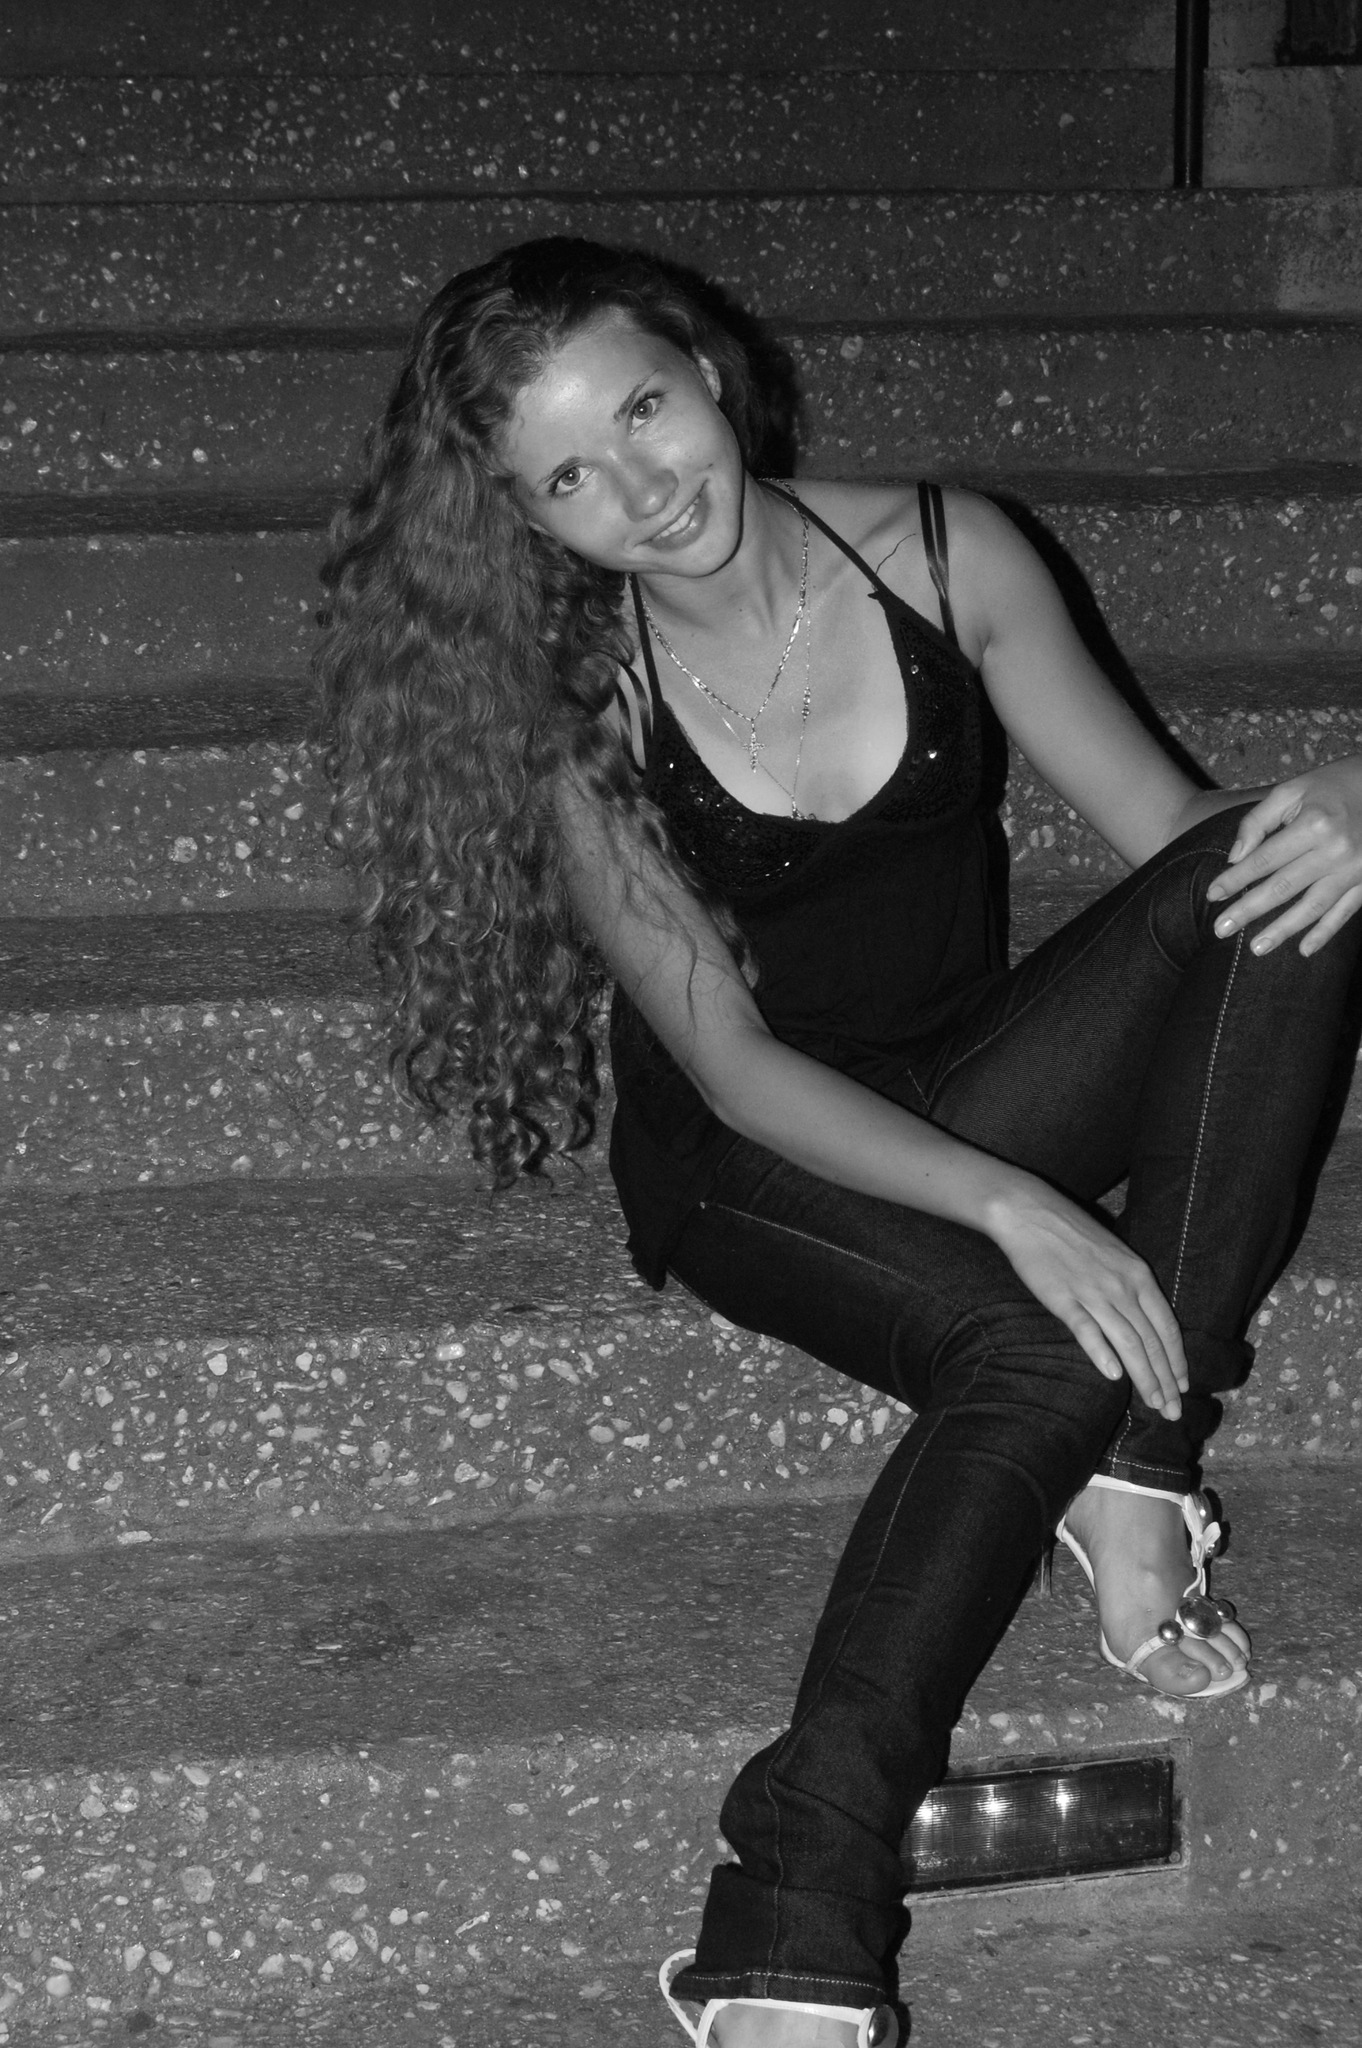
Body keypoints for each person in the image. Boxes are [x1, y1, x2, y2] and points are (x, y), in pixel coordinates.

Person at [315, 237, 1362, 2048]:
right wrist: (1011, 1206)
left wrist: (1348, 798)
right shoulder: (579, 706)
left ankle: (1140, 1457)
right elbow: (728, 1065)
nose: (645, 488)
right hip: (752, 1153)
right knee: (1029, 1345)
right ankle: (789, 1920)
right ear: (529, 523)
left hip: (965, 1071)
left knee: (1290, 876)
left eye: (646, 409)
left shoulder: (949, 558)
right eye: (569, 479)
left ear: (708, 369)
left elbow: (1181, 846)